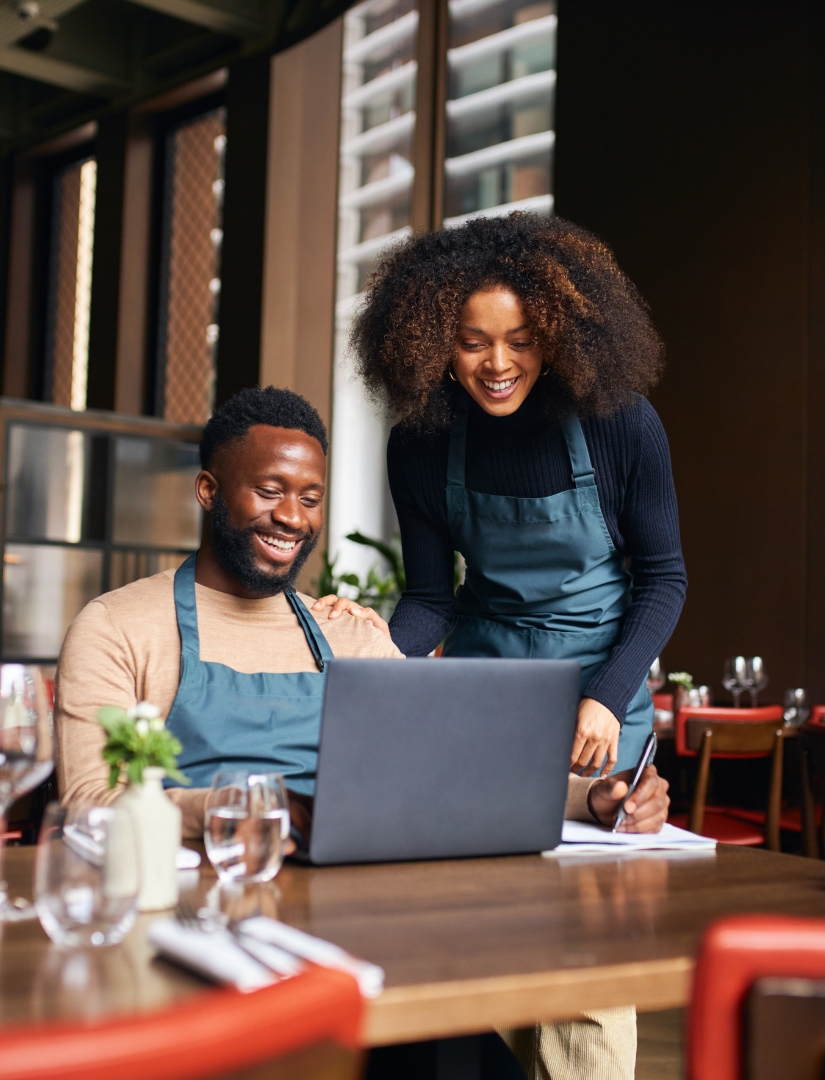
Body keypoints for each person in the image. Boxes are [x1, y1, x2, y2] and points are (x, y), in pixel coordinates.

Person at [55, 385, 669, 846]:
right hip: (184, 899)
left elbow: (454, 773)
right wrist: (243, 808)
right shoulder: (118, 627)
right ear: (209, 490)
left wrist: (596, 799)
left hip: (343, 910)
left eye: (311, 498)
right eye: (269, 492)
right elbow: (87, 805)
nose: (292, 517)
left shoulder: (346, 634)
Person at [316, 213, 687, 780]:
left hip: (599, 690)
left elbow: (663, 579)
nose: (497, 365)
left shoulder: (622, 424)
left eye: (522, 342)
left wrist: (610, 698)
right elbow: (431, 600)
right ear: (436, 341)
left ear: (558, 339)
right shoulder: (421, 445)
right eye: (471, 343)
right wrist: (372, 649)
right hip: (480, 684)